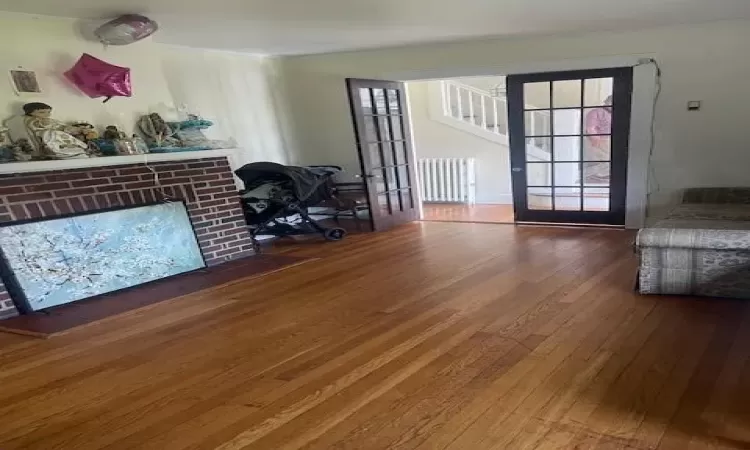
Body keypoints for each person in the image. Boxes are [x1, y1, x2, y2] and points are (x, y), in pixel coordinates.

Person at [23, 103, 88, 159]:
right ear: (30, 113)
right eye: (42, 112)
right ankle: (60, 150)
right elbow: (36, 126)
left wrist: (78, 129)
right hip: (46, 136)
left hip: (58, 133)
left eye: (48, 112)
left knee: (63, 134)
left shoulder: (50, 120)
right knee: (52, 134)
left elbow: (62, 126)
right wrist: (44, 123)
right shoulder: (31, 120)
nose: (47, 114)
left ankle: (73, 149)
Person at [583, 95, 612, 184]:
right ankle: (592, 177)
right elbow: (590, 128)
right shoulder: (596, 112)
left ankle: (602, 176)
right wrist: (595, 139)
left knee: (608, 160)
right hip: (599, 140)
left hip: (609, 140)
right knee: (601, 160)